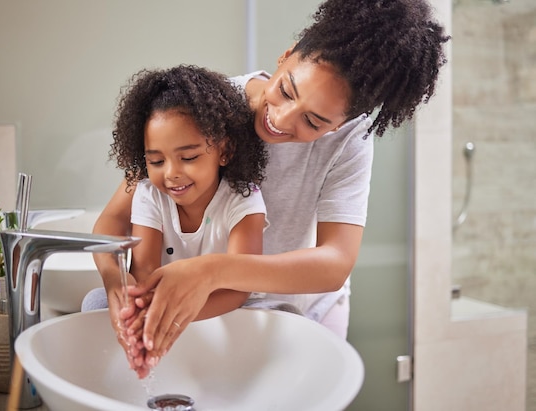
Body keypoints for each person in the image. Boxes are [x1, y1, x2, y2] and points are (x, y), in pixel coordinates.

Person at [91, 0, 450, 375]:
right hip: (210, 306)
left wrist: (213, 270)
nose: (279, 119)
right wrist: (116, 280)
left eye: (313, 122)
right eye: (286, 90)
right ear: (286, 56)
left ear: (341, 124)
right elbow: (113, 220)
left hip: (301, 312)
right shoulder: (208, 107)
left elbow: (335, 263)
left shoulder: (349, 142)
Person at [90, 65, 269, 377]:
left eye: (188, 158)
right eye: (156, 161)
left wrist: (172, 317)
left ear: (223, 150)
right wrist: (139, 317)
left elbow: (239, 288)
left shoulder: (243, 199)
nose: (171, 173)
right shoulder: (150, 194)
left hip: (224, 308)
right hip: (162, 303)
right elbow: (143, 271)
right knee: (94, 303)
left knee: (284, 314)